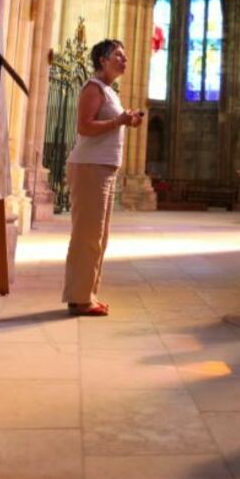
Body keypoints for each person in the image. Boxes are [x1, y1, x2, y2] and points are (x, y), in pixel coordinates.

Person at [62, 39, 142, 316]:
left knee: (98, 236)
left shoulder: (109, 91)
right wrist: (119, 122)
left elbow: (106, 125)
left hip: (103, 168)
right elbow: (84, 127)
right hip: (89, 167)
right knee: (87, 235)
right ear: (103, 60)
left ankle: (86, 294)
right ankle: (80, 298)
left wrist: (127, 120)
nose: (125, 60)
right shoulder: (93, 88)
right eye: (118, 55)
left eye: (125, 55)